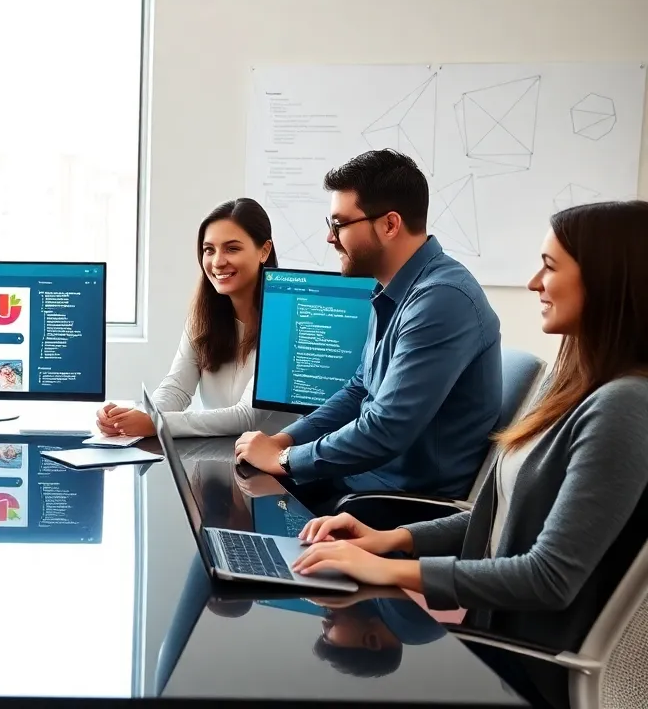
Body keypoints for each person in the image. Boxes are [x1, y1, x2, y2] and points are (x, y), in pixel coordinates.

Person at [292, 201, 648, 708]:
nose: (533, 283)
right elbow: (497, 515)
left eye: (549, 267)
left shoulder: (624, 406)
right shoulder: (574, 389)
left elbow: (548, 578)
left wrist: (389, 570)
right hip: (489, 645)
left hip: (522, 672)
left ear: (607, 281)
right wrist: (389, 540)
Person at [236, 150, 502, 512]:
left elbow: (386, 429)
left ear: (390, 225)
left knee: (243, 510)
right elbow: (359, 389)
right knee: (235, 495)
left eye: (339, 224)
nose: (330, 238)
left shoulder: (442, 299)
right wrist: (285, 440)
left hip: (397, 503)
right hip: (359, 481)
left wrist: (285, 460)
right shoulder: (393, 289)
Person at [97, 198, 299, 438]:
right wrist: (132, 418)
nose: (217, 262)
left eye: (232, 249)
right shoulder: (204, 317)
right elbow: (177, 388)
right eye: (209, 250)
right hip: (215, 455)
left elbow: (246, 417)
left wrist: (158, 423)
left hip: (270, 459)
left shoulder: (289, 324)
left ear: (264, 251)